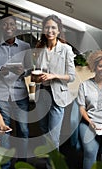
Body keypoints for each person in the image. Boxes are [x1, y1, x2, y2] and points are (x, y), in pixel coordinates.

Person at [0, 14, 32, 163]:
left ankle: (22, 163)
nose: (9, 27)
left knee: (23, 130)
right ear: (1, 27)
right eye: (5, 25)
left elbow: (30, 69)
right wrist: (0, 72)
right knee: (4, 131)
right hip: (1, 95)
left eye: (12, 25)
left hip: (20, 94)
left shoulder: (25, 47)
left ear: (16, 28)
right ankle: (5, 164)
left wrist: (23, 72)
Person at [34, 14, 75, 150]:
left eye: (53, 28)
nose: (50, 31)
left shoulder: (66, 49)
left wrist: (53, 76)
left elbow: (71, 76)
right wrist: (37, 78)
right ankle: (49, 160)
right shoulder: (40, 49)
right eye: (47, 27)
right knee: (44, 130)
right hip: (42, 94)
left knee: (53, 136)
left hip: (57, 95)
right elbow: (36, 73)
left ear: (58, 30)